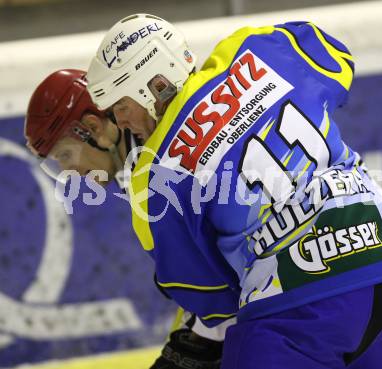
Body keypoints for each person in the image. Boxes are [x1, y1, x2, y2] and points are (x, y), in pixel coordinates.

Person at [86, 14, 382, 369]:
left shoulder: (154, 175)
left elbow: (212, 299)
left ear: (155, 85)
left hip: (297, 319)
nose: (121, 121)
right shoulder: (258, 48)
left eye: (121, 105)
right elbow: (337, 58)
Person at [24, 68, 231, 369]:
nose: (70, 174)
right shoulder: (137, 167)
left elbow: (220, 287)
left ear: (93, 127)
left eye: (66, 156)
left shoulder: (155, 172)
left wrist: (200, 340)